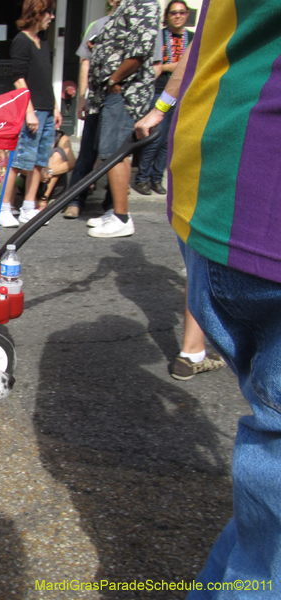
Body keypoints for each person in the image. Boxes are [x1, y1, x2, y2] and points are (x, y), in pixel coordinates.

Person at [135, 2, 281, 595]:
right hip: (252, 198)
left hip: (218, 180)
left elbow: (195, 49)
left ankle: (194, 349)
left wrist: (162, 111)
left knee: (271, 467)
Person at [86, 0, 159, 238]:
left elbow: (140, 50)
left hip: (124, 92)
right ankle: (116, 212)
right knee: (116, 153)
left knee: (114, 153)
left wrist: (113, 80)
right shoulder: (130, 5)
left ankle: (121, 217)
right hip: (116, 92)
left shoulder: (145, 4)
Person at [0, 0, 61, 227]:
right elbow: (18, 79)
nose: (51, 17)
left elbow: (45, 77)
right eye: (49, 13)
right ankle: (5, 208)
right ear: (37, 13)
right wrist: (29, 111)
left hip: (45, 107)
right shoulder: (21, 41)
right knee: (18, 160)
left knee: (39, 161)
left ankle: (28, 206)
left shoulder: (42, 41)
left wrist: (54, 106)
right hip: (30, 110)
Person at [63, 0, 120, 220]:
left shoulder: (138, 24)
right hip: (97, 99)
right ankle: (75, 200)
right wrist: (82, 99)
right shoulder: (97, 26)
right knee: (87, 152)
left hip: (122, 102)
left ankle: (112, 205)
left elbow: (152, 66)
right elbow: (85, 62)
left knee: (116, 156)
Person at [132, 0, 193, 197]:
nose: (178, 16)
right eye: (174, 12)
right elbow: (151, 66)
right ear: (166, 16)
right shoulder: (159, 37)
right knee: (155, 136)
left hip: (184, 93)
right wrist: (170, 68)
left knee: (169, 139)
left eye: (182, 12)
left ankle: (157, 178)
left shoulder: (192, 39)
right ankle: (142, 178)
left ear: (187, 15)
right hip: (160, 91)